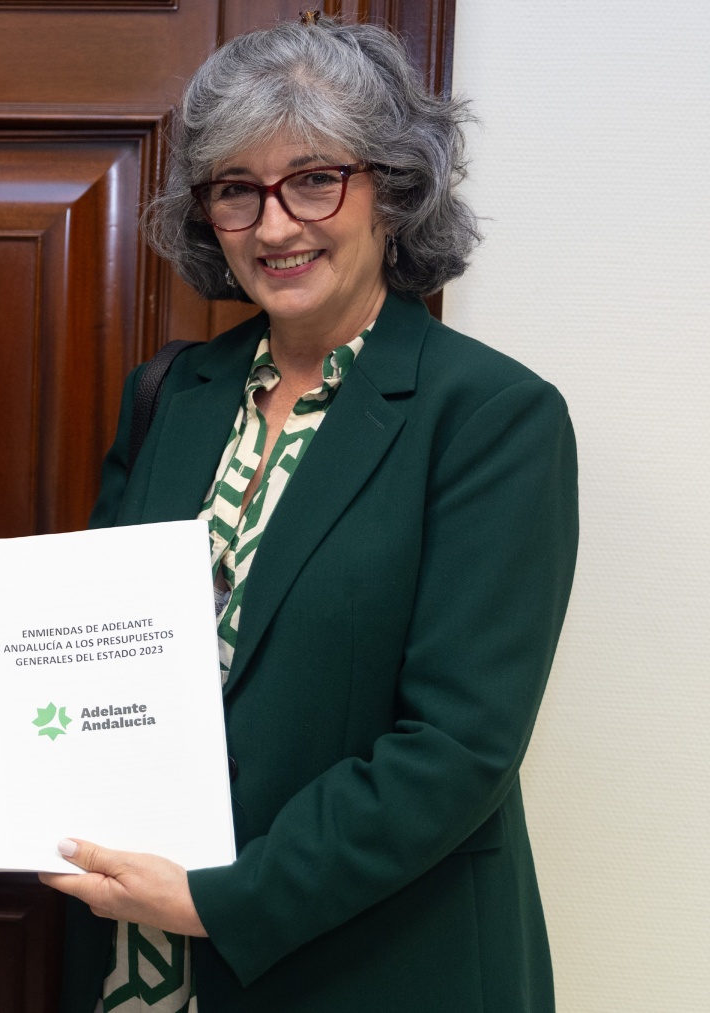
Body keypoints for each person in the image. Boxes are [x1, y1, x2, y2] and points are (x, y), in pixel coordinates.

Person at [43, 16, 577, 1013]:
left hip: (370, 962)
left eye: (315, 178)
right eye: (238, 189)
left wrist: (225, 895)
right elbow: (97, 654)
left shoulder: (494, 419)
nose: (276, 225)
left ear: (394, 190)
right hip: (140, 957)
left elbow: (457, 746)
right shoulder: (172, 392)